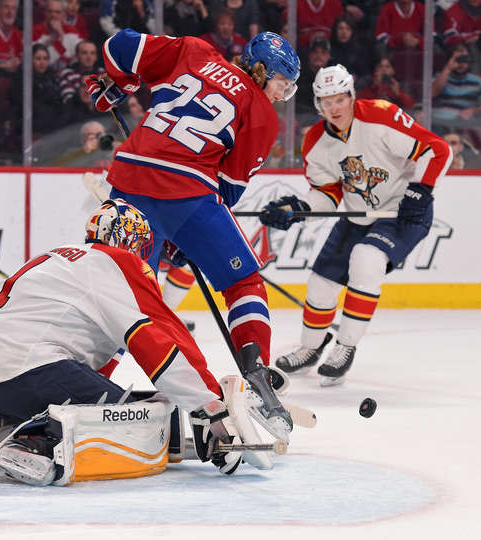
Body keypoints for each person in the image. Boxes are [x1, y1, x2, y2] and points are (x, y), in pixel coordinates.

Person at [0, 199, 276, 485]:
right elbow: (162, 340)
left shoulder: (58, 257)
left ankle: (3, 429)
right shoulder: (118, 263)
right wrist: (209, 407)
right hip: (27, 368)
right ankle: (29, 443)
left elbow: (94, 373)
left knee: (114, 406)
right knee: (138, 424)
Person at [84, 29, 301, 433]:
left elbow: (118, 45)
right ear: (259, 69)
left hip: (129, 177)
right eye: (280, 84)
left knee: (121, 297)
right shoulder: (262, 114)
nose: (279, 95)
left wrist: (121, 86)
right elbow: (228, 188)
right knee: (243, 282)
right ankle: (255, 376)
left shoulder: (195, 51)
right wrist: (185, 238)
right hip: (189, 191)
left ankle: (83, 387)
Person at [260, 64, 452, 385]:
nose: (334, 108)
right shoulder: (316, 141)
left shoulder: (380, 116)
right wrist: (297, 208)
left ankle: (345, 346)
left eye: (339, 99)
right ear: (318, 105)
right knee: (321, 283)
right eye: (326, 102)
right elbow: (327, 194)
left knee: (366, 259)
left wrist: (420, 191)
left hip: (402, 213)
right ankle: (311, 347)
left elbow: (437, 149)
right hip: (357, 214)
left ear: (351, 96)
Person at [431, 44, 481, 130]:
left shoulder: (476, 81)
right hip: (439, 122)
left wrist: (473, 111)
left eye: (464, 59)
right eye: (458, 59)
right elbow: (433, 92)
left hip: (464, 125)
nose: (462, 63)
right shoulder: (440, 77)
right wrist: (448, 68)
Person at [33, 0, 83, 71]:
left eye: (57, 12)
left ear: (64, 15)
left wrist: (60, 34)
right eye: (50, 11)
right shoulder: (34, 31)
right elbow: (34, 58)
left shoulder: (73, 32)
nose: (53, 15)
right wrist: (57, 38)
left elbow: (74, 59)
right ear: (45, 13)